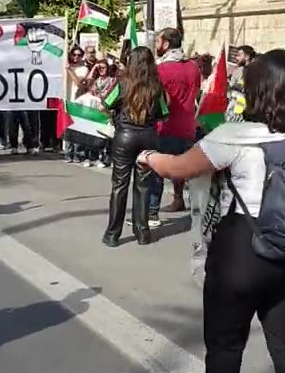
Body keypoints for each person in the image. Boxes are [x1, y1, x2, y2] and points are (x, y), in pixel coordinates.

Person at [138, 50, 285, 373]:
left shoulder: (237, 135)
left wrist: (149, 158)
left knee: (225, 344)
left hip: (244, 247)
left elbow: (179, 167)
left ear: (256, 90)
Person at [102, 46, 168, 247]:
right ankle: (142, 232)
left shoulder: (122, 82)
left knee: (119, 186)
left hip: (124, 137)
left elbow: (106, 102)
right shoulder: (157, 86)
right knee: (143, 186)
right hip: (148, 137)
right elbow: (164, 112)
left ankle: (113, 235)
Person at [148, 28, 201, 222]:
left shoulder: (160, 69)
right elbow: (196, 93)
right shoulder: (194, 67)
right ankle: (181, 200)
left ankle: (152, 212)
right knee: (183, 167)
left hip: (166, 126)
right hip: (188, 125)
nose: (156, 45)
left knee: (157, 170)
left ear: (166, 44)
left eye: (159, 41)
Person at [65, 46, 89, 164]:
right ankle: (68, 153)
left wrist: (70, 70)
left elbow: (79, 83)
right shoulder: (64, 67)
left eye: (79, 55)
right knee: (68, 128)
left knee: (77, 129)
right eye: (74, 54)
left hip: (77, 101)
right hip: (65, 100)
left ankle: (77, 153)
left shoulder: (83, 69)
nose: (76, 57)